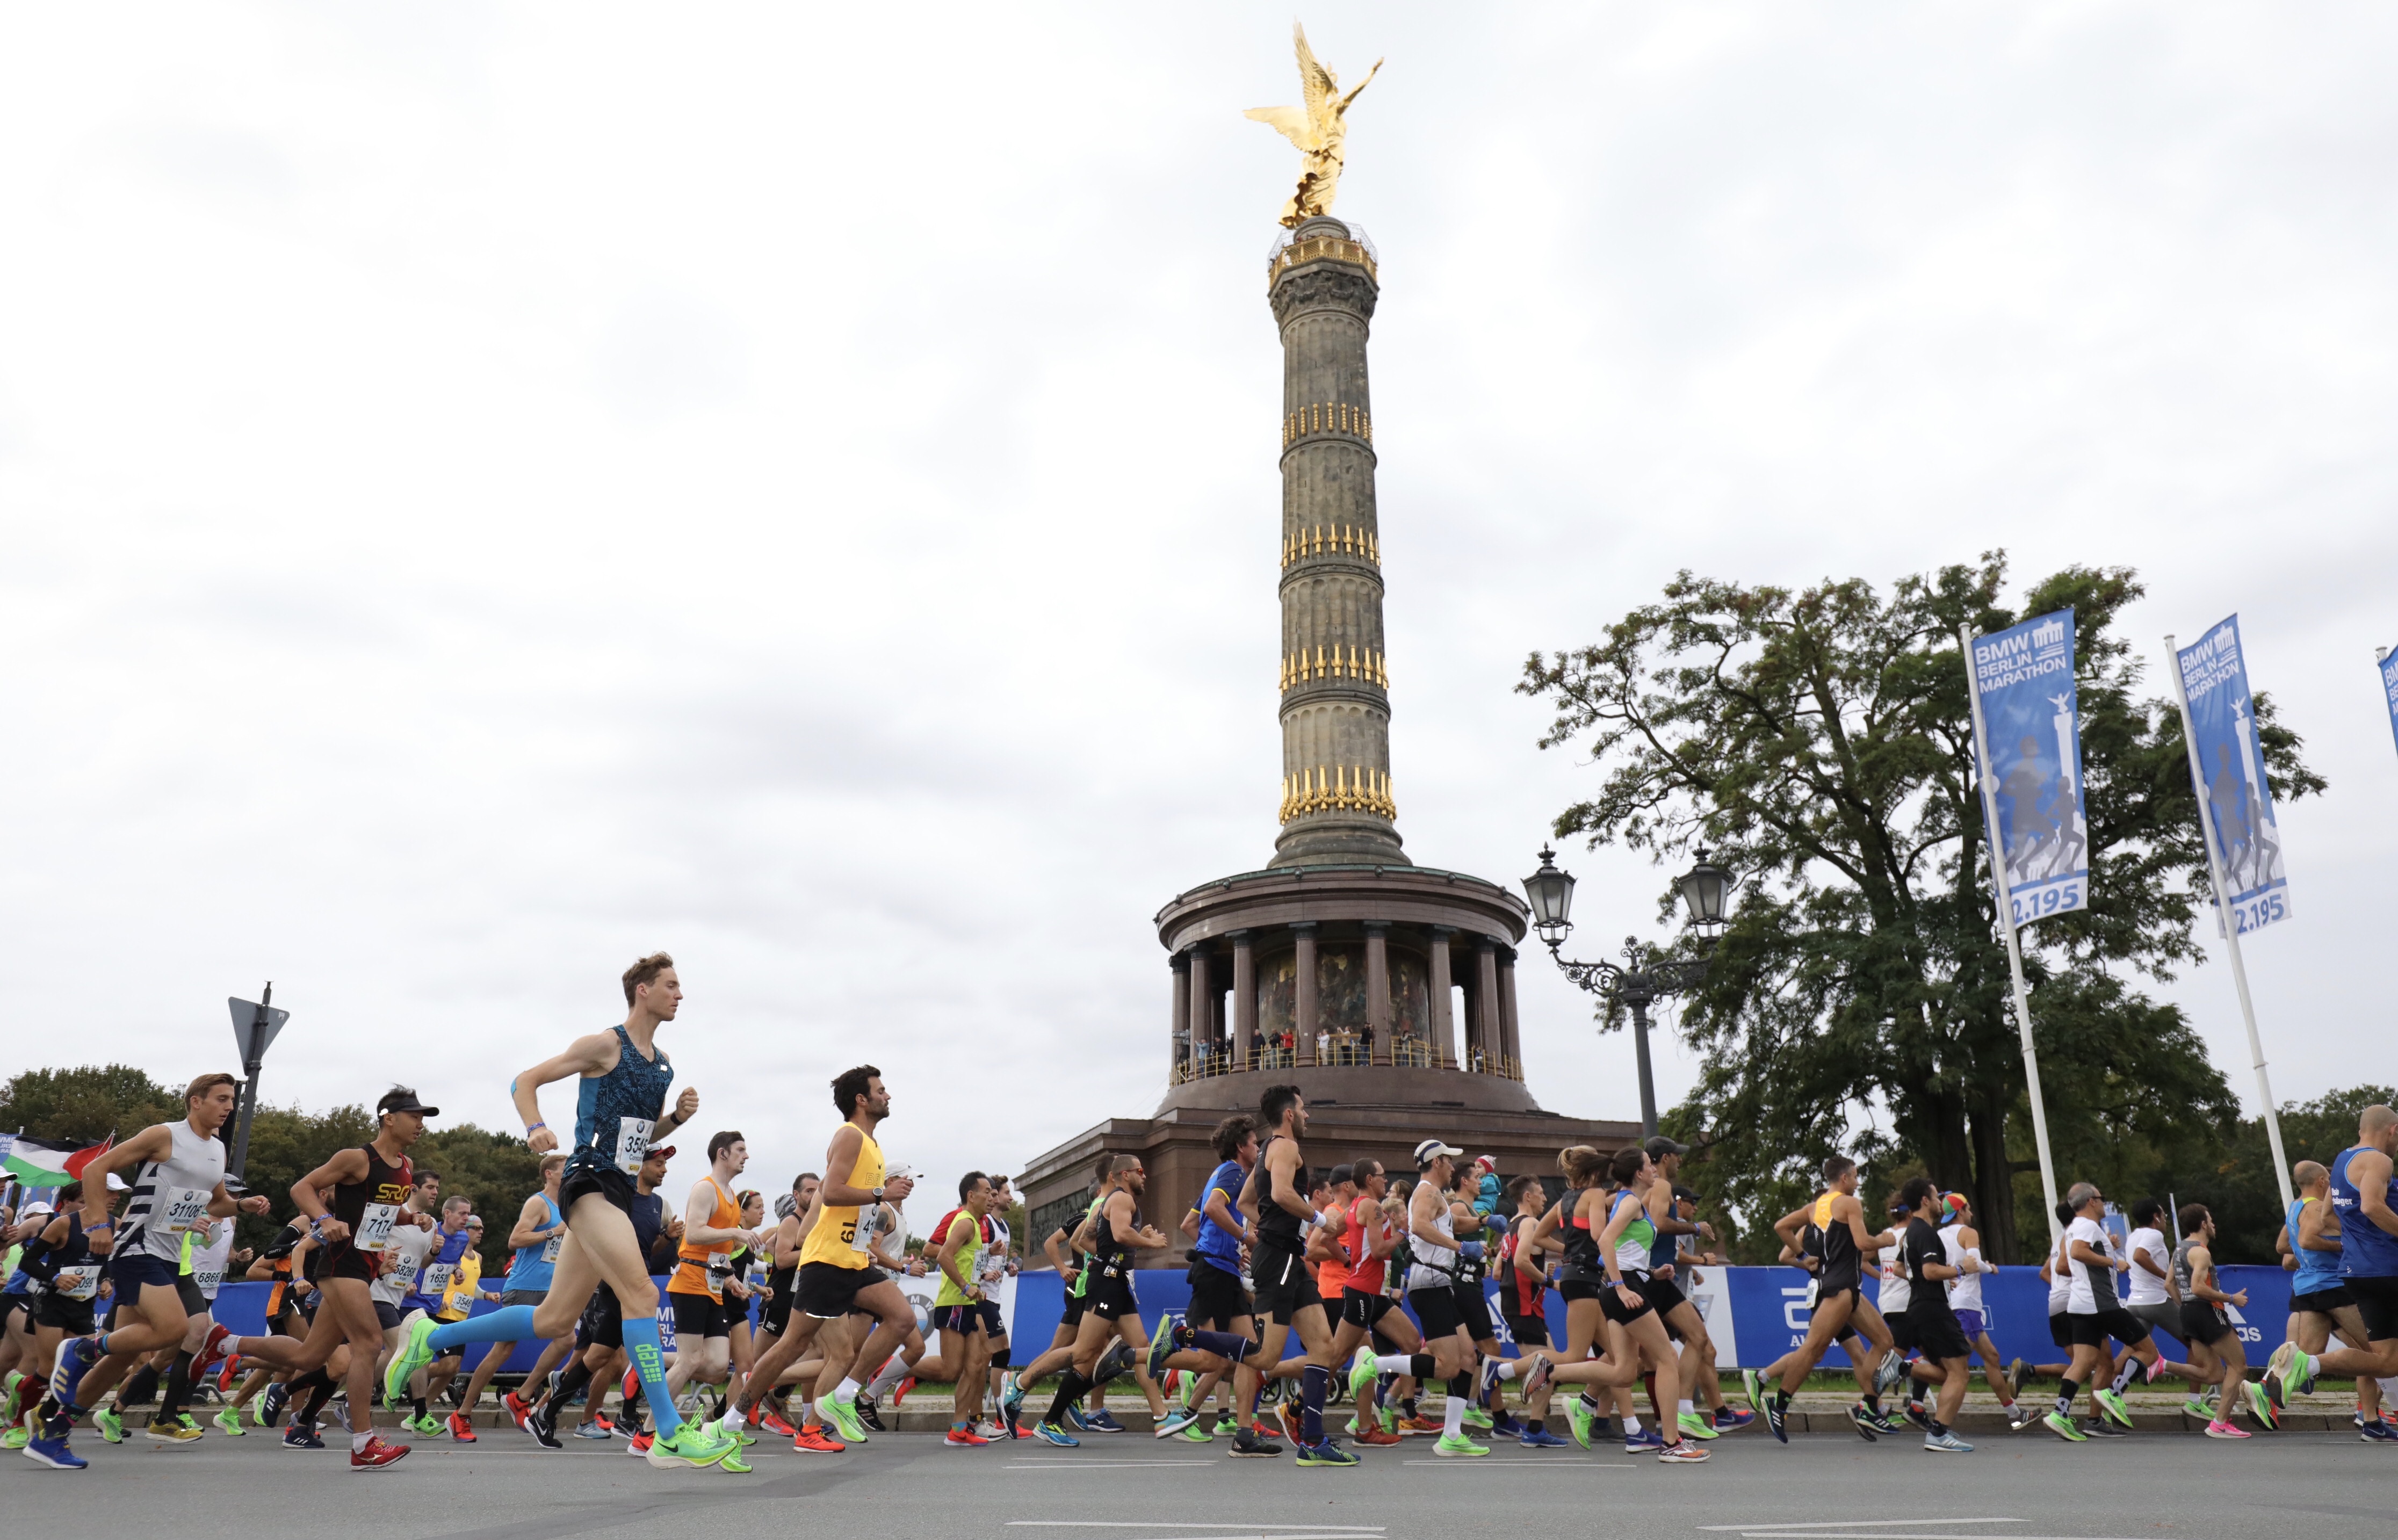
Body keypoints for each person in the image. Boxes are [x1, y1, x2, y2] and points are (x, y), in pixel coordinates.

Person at [381, 952, 741, 1471]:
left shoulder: (662, 1064)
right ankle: (667, 1431)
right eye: (671, 984)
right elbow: (523, 1080)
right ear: (642, 990)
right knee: (640, 1293)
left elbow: (636, 1142)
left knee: (554, 1318)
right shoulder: (605, 1044)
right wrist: (534, 1126)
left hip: (618, 1186)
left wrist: (674, 1122)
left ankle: (428, 1335)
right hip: (587, 1181)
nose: (680, 994)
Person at [28, 1073, 273, 1472]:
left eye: (232, 1100)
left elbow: (216, 1202)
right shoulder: (164, 1135)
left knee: (119, 1352)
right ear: (196, 1101)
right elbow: (95, 1169)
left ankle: (54, 1430)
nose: (229, 1107)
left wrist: (242, 1206)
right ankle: (80, 1349)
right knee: (175, 1330)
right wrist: (97, 1224)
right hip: (137, 1247)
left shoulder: (217, 1150)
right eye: (222, 1099)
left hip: (171, 1255)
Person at [718, 1065, 919, 1453]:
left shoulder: (872, 1145)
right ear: (862, 1099)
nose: (888, 1095)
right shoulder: (849, 1136)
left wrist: (815, 1226)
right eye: (881, 1090)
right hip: (828, 1261)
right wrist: (882, 1191)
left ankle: (841, 1397)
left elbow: (828, 1190)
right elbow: (836, 1192)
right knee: (792, 1345)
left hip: (853, 1259)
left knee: (902, 1319)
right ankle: (733, 1418)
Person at [1220, 1084, 1351, 1465]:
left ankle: (1313, 1440)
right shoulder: (1286, 1147)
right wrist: (1322, 1220)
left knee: (1324, 1348)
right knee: (1264, 1356)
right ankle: (1182, 1336)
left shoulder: (1266, 1151)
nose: (1308, 1114)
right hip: (1279, 1260)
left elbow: (1248, 1201)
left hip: (1287, 1256)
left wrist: (1277, 1229)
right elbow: (1280, 1193)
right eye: (1304, 1108)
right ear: (1289, 1114)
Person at [523, 1141, 681, 1447]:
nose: (664, 1170)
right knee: (643, 1348)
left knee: (599, 1356)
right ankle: (637, 1422)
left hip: (636, 1281)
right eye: (658, 1163)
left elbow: (652, 1252)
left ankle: (546, 1413)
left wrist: (667, 1238)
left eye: (665, 1164)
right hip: (613, 1281)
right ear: (640, 1164)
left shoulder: (660, 1205)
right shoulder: (616, 1197)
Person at [1756, 1155, 1898, 1444]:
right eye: (1856, 1176)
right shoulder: (1849, 1203)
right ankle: (1779, 1404)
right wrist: (1884, 1240)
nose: (1858, 1183)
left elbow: (1781, 1226)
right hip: (1838, 1289)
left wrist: (1804, 1256)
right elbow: (1863, 1243)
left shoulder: (1814, 1207)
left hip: (1844, 1288)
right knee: (1812, 1350)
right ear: (1844, 1178)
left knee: (1884, 1341)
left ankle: (1868, 1406)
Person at [2269, 1105, 2398, 1417]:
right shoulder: (2379, 1161)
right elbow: (2370, 1206)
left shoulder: (2341, 1162)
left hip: (2357, 1273)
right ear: (2392, 1130)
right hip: (2386, 1269)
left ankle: (2308, 1363)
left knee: (2387, 1361)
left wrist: (2358, 1238)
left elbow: (2329, 1216)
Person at [2052, 1182, 2202, 1440]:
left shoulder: (2072, 1229)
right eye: (2101, 1198)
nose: (2103, 1203)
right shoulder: (2087, 1226)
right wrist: (2112, 1261)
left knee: (2084, 1362)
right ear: (2091, 1202)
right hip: (2100, 1304)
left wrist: (2097, 1261)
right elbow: (2078, 1253)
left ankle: (2062, 1414)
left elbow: (2063, 1266)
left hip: (2078, 1303)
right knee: (2149, 1352)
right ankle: (2115, 1394)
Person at [449, 1155, 573, 1434]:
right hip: (524, 1287)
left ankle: (522, 1397)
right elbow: (515, 1240)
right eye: (567, 1169)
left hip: (551, 1289)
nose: (572, 1173)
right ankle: (463, 1413)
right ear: (550, 1174)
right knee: (502, 1350)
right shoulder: (538, 1203)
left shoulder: (567, 1206)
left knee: (567, 1340)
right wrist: (553, 1232)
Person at [2276, 1158, 2392, 1439]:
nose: (2332, 1185)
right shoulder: (2317, 1207)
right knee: (2377, 1357)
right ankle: (2370, 1420)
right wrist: (2344, 1245)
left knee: (2305, 1356)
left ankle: (2262, 1391)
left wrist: (2307, 1262)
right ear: (2321, 1182)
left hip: (2308, 1287)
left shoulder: (2294, 1208)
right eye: (2329, 1180)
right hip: (2332, 1285)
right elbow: (2305, 1241)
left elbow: (2283, 1247)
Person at [659, 1132, 761, 1428]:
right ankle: (651, 1430)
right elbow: (693, 1234)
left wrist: (731, 1279)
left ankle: (655, 1364)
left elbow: (717, 1254)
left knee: (717, 1366)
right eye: (741, 1150)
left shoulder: (731, 1195)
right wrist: (735, 1232)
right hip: (690, 1281)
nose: (746, 1155)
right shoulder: (706, 1189)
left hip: (713, 1285)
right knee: (690, 1360)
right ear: (722, 1154)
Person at [1895, 1177, 1975, 1451]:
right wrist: (1960, 1269)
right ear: (1925, 1201)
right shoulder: (1926, 1232)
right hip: (1932, 1308)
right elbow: (1930, 1271)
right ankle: (1939, 1433)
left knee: (1949, 1371)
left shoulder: (1911, 1233)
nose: (1941, 1202)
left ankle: (1903, 1368)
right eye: (1936, 1197)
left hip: (1919, 1307)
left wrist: (1941, 1278)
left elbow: (1900, 1269)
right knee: (1960, 1373)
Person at [1938, 1192, 2030, 1430]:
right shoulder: (1968, 1233)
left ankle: (2014, 1414)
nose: (1971, 1213)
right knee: (1954, 1367)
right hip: (1966, 1304)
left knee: (1992, 1357)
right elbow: (1974, 1264)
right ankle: (1907, 1369)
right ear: (1960, 1211)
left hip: (1956, 1303)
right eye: (1968, 1209)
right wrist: (1991, 1268)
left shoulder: (1938, 1235)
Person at [2173, 1204, 2253, 1439]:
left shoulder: (2178, 1250)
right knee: (2239, 1367)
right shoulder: (2201, 1252)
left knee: (2214, 1374)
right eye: (2211, 1219)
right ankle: (2220, 1423)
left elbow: (2169, 1284)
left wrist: (2188, 1307)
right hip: (2206, 1311)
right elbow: (2198, 1287)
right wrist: (2231, 1298)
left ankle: (2160, 1365)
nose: (2214, 1224)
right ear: (2203, 1224)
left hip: (2188, 1311)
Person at [1498, 1174, 1566, 1447]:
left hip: (1520, 1303)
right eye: (1540, 1193)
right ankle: (1534, 1429)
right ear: (1528, 1197)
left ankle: (1491, 1369)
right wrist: (1551, 1282)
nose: (1545, 1198)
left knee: (1551, 1364)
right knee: (1546, 1367)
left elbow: (1497, 1271)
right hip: (1525, 1303)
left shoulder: (1511, 1227)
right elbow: (1520, 1260)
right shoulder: (1530, 1223)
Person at [931, 1172, 996, 1445]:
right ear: (972, 1196)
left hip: (967, 1302)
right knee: (950, 1369)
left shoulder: (975, 1223)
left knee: (976, 1365)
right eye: (987, 1192)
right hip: (954, 1303)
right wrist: (964, 1286)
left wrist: (975, 1286)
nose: (991, 1197)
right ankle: (897, 1371)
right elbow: (943, 1255)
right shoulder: (965, 1222)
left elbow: (966, 1262)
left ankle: (959, 1429)